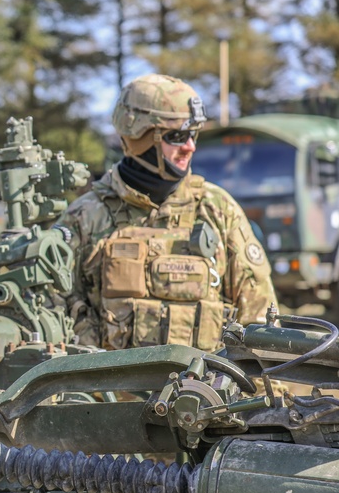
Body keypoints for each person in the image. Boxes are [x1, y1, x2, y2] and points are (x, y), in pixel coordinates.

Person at [56, 74, 277, 351]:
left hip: (204, 394)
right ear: (139, 137)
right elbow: (56, 322)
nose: (190, 146)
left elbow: (259, 320)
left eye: (193, 134)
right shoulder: (85, 217)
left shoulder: (217, 210)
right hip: (110, 394)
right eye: (176, 136)